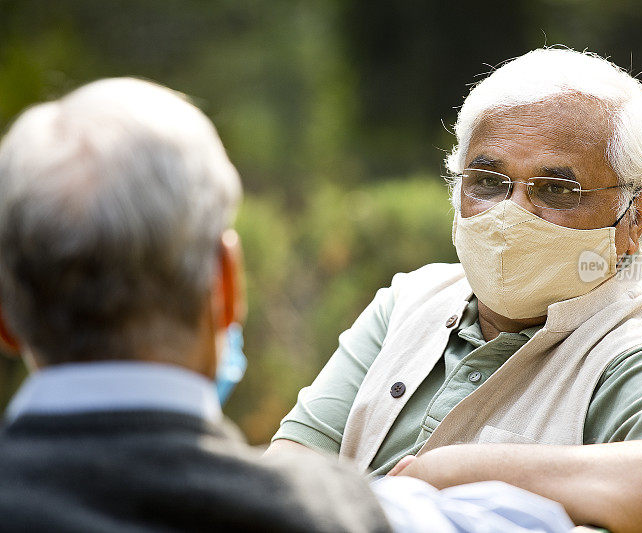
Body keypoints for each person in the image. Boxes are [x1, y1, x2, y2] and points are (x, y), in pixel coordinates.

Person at [0, 77, 576, 533]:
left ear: (5, 317)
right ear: (227, 286)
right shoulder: (351, 519)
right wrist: (449, 472)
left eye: (555, 189)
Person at [269, 48, 642, 532]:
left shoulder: (636, 351)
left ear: (636, 216)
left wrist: (460, 471)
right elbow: (286, 474)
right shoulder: (409, 302)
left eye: (555, 190)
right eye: (487, 181)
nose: (511, 214)